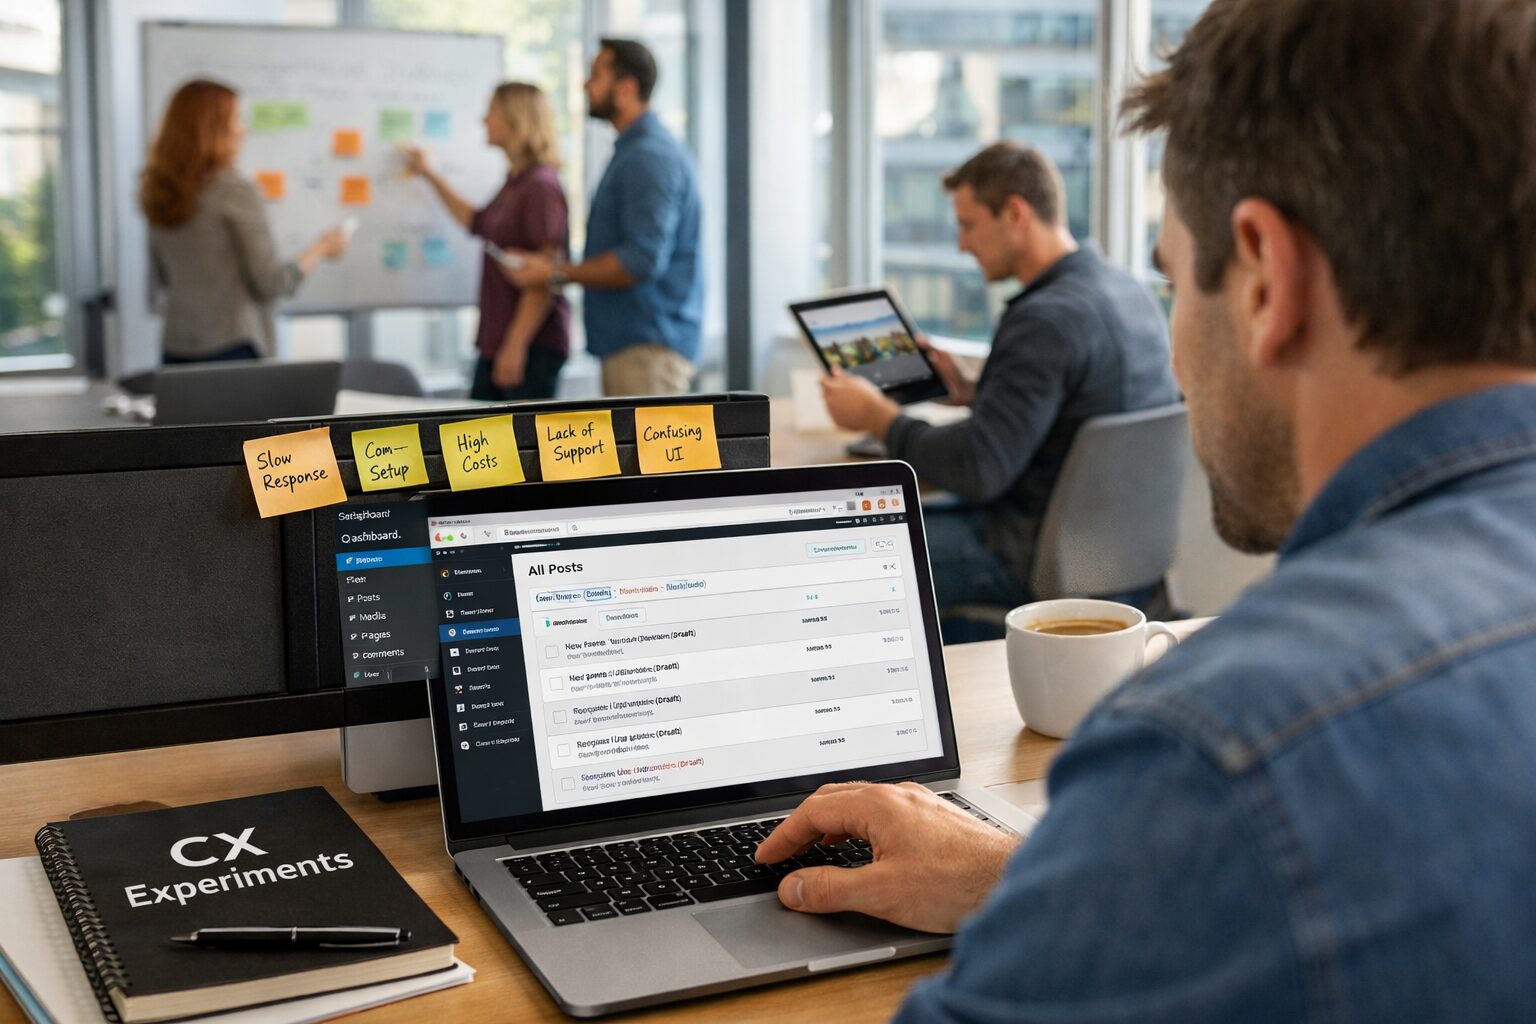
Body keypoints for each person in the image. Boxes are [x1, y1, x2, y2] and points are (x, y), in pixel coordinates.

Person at [756, 0, 1536, 1018]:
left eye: (1177, 281)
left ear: (1263, 278)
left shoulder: (1226, 748)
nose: (1176, 346)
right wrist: (1041, 878)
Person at [820, 143, 1177, 617]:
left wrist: (880, 417)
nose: (961, 245)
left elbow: (978, 468)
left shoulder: (1045, 320)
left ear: (1015, 213)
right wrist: (972, 392)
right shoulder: (1127, 292)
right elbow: (1068, 415)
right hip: (1121, 562)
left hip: (1028, 557)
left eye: (969, 225)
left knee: (843, 554)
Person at [508, 39, 702, 397]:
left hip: (647, 351)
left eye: (595, 75)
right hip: (634, 347)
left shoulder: (649, 157)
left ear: (626, 89)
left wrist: (554, 272)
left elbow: (640, 261)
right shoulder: (634, 151)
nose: (585, 85)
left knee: (650, 455)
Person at [140, 79, 348, 364]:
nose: (243, 130)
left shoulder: (159, 192)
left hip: (176, 349)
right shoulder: (234, 191)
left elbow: (160, 281)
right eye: (236, 119)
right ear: (212, 129)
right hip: (233, 349)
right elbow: (272, 283)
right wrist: (321, 249)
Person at [403, 82, 570, 401]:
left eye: (491, 112)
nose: (484, 121)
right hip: (500, 337)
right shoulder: (516, 183)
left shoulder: (540, 187)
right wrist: (429, 174)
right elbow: (477, 222)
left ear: (515, 119)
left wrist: (515, 345)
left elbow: (544, 276)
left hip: (528, 344)